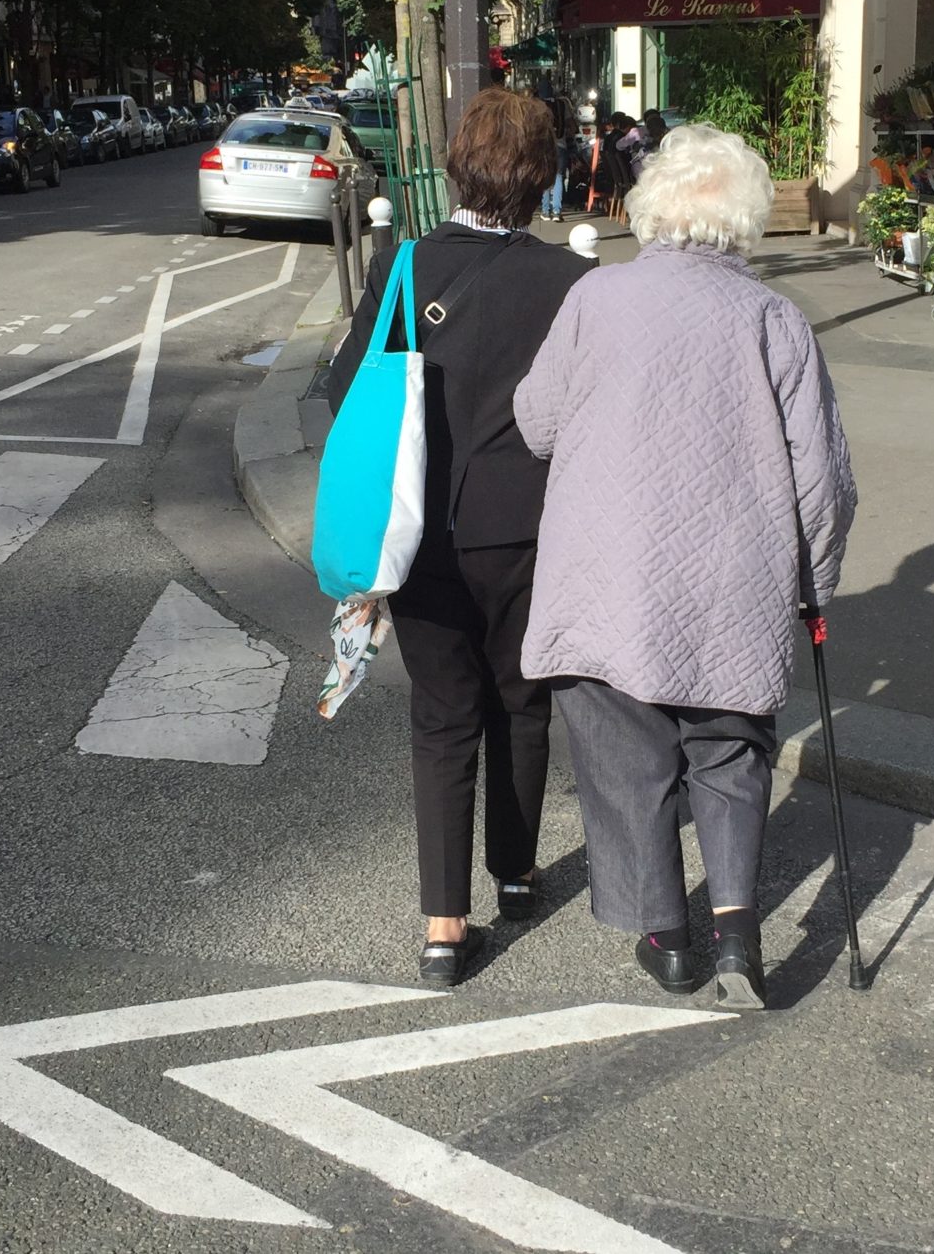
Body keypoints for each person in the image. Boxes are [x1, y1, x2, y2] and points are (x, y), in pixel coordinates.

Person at [514, 124, 857, 1010]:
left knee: (628, 758)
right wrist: (814, 586)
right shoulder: (776, 318)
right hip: (734, 580)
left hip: (609, 576)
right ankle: (739, 937)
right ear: (744, 221)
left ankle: (670, 940)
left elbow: (536, 423)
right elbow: (822, 476)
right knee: (730, 748)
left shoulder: (598, 298)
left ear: (652, 205)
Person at [327, 89, 594, 986]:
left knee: (442, 719)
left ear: (455, 167)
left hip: (424, 529)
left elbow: (346, 392)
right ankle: (516, 874)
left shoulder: (404, 268)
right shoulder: (571, 283)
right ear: (542, 177)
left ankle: (445, 930)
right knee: (523, 699)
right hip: (530, 526)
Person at [537, 79, 571, 223]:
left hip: (544, 146)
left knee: (545, 178)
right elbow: (570, 124)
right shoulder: (562, 104)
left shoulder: (537, 105)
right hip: (561, 145)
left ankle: (545, 211)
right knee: (558, 178)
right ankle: (557, 211)